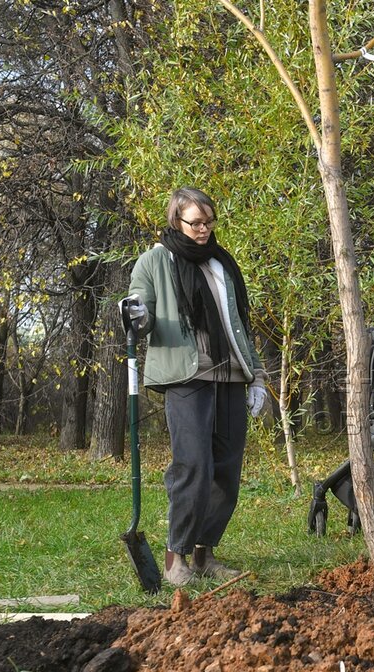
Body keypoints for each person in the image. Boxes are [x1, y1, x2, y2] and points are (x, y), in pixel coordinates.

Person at [121, 187, 268, 587]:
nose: (203, 230)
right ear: (176, 221)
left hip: (231, 375)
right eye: (195, 223)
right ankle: (176, 557)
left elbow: (237, 321)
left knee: (227, 471)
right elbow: (144, 309)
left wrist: (256, 375)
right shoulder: (154, 261)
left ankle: (205, 553)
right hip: (186, 375)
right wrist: (136, 314)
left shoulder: (222, 262)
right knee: (194, 466)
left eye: (208, 222)